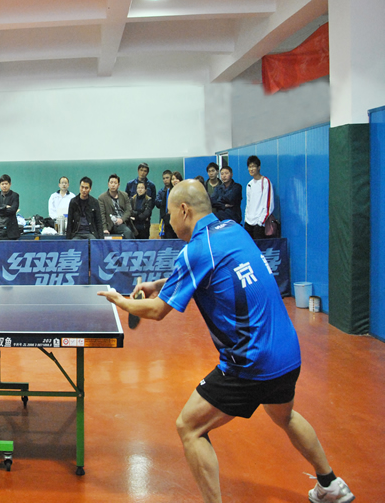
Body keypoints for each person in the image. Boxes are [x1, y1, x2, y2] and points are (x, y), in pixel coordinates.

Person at [97, 180, 355, 503]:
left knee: (189, 427)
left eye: (170, 214)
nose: (169, 222)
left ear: (184, 210)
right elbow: (210, 270)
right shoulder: (232, 229)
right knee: (284, 415)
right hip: (287, 351)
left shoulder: (196, 249)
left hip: (252, 361)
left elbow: (157, 311)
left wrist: (120, 301)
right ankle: (330, 484)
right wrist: (161, 283)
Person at [244, 155, 275, 239]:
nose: (251, 169)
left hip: (259, 225)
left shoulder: (265, 182)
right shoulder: (249, 184)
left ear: (259, 167)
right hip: (248, 224)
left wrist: (260, 222)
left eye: (253, 166)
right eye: (249, 167)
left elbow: (269, 206)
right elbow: (248, 204)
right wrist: (246, 219)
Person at [97, 174, 132, 239]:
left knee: (129, 232)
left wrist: (122, 219)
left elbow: (128, 210)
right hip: (110, 224)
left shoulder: (124, 195)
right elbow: (102, 214)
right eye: (111, 182)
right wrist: (104, 228)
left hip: (123, 222)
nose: (113, 185)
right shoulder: (102, 198)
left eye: (115, 183)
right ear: (108, 184)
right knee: (127, 232)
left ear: (118, 185)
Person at [0, 174, 20, 240]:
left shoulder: (15, 195)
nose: (4, 186)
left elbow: (13, 209)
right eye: (2, 184)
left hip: (10, 231)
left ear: (10, 184)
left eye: (6, 184)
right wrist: (5, 206)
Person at [155, 171, 175, 239]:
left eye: (167, 178)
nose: (165, 180)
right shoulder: (161, 191)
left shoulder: (175, 191)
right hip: (164, 220)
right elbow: (157, 202)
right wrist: (165, 202)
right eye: (164, 178)